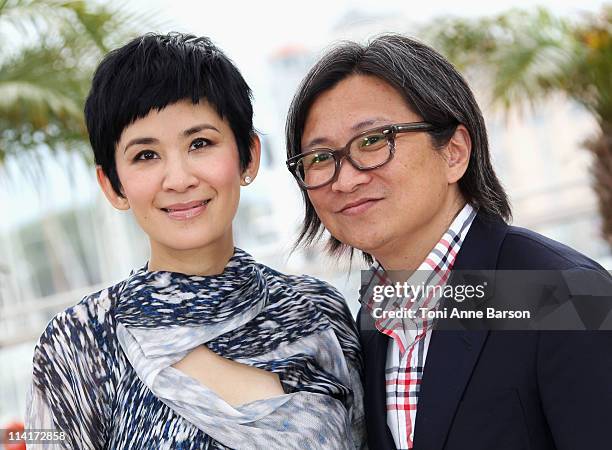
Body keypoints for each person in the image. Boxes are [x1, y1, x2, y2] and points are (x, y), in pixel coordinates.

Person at [26, 33, 365, 450]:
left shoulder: (320, 311)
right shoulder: (75, 344)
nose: (180, 178)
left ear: (249, 156)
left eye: (200, 143)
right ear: (112, 186)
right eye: (145, 155)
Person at [285, 34, 612, 450]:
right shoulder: (373, 313)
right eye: (319, 158)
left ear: (455, 152)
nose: (345, 178)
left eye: (372, 141)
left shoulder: (563, 293)